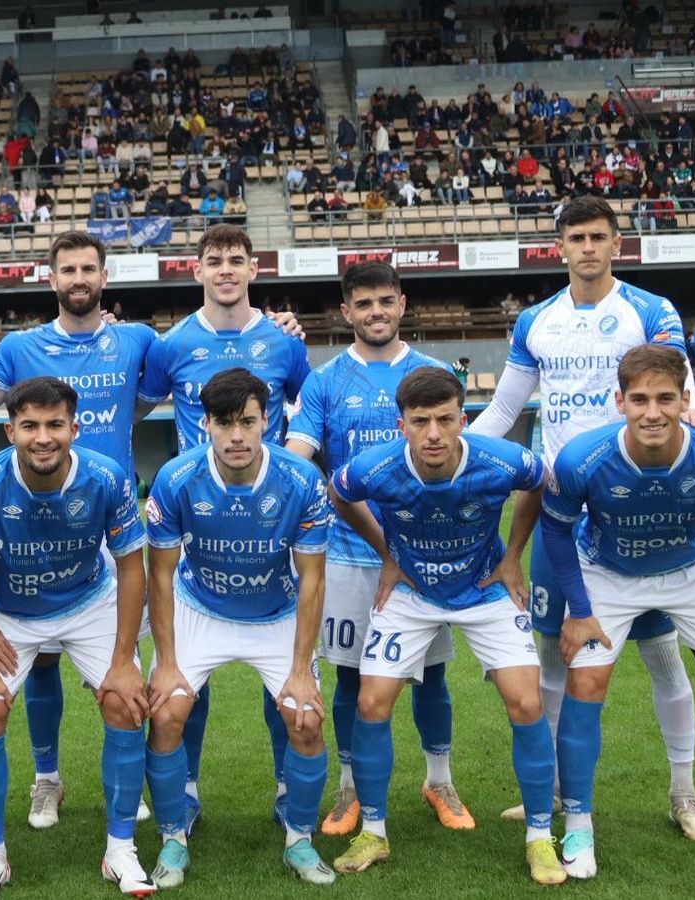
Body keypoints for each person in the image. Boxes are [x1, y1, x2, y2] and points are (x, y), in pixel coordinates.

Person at [467, 194, 695, 836]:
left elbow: (673, 400)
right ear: (559, 246)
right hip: (559, 511)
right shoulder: (536, 322)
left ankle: (684, 793)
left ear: (616, 243)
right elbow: (503, 414)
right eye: (575, 237)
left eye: (598, 237)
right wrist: (453, 451)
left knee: (660, 654)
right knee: (554, 654)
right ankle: (549, 790)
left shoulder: (652, 311)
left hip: (635, 506)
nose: (587, 248)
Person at [544, 345, 695, 883]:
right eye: (641, 399)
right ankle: (579, 826)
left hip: (693, 567)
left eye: (666, 399)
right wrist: (579, 611)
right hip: (608, 570)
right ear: (619, 401)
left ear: (685, 400)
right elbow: (556, 530)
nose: (653, 412)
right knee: (586, 686)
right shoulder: (583, 458)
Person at [0, 233, 160, 828]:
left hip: (105, 515)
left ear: (103, 276)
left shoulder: (137, 340)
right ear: (51, 279)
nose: (78, 277)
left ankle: (129, 784)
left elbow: (193, 379)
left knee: (127, 669)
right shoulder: (20, 347)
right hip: (26, 518)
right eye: (67, 268)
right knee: (39, 661)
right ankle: (48, 779)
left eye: (87, 268)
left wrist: (281, 326)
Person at [327, 367, 564, 885]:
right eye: (420, 421)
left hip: (483, 588)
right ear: (401, 425)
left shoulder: (500, 460)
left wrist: (514, 555)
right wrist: (386, 554)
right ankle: (373, 831)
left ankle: (541, 838)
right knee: (371, 701)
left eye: (444, 419)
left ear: (463, 419)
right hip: (412, 592)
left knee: (527, 702)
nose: (433, 433)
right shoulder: (376, 468)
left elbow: (540, 483)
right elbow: (338, 494)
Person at [0, 377, 150, 899]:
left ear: (74, 428)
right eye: (30, 425)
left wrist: (124, 659)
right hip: (13, 613)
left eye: (55, 424)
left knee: (125, 703)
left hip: (87, 602)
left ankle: (120, 850)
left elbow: (131, 568)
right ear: (9, 429)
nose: (43, 437)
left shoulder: (106, 478)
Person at [284, 263, 468, 837]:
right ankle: (350, 789)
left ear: (403, 303)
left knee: (431, 676)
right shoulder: (325, 380)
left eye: (385, 301)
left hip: (423, 556)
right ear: (346, 312)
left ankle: (438, 778)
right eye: (363, 304)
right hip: (346, 553)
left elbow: (460, 455)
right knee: (348, 678)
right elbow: (299, 452)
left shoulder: (433, 372)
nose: (376, 313)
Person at [137, 224, 312, 827]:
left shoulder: (284, 341)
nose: (226, 270)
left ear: (253, 269)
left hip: (274, 520)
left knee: (284, 679)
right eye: (214, 261)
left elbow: (307, 411)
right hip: (197, 524)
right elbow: (139, 405)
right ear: (198, 271)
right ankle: (181, 790)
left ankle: (292, 791)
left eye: (237, 260)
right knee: (187, 677)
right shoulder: (172, 343)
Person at [142, 368, 336, 888]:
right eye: (224, 423)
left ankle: (299, 837)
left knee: (306, 719)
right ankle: (172, 838)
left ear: (266, 421)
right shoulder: (177, 478)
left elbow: (313, 580)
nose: (236, 436)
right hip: (199, 608)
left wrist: (301, 670)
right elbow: (159, 576)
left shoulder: (301, 481)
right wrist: (165, 663)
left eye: (247, 422)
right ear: (204, 423)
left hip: (275, 613)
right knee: (166, 714)